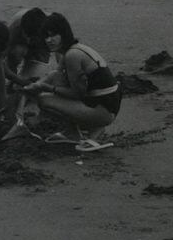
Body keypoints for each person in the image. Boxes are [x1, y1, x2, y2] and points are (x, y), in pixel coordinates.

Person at [21, 13, 121, 152]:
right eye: (46, 37)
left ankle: (89, 129)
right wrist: (33, 86)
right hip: (107, 103)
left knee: (44, 100)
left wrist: (45, 87)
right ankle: (73, 132)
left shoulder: (72, 56)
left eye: (53, 35)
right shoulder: (73, 49)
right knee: (57, 81)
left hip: (104, 110)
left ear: (64, 33)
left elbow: (76, 94)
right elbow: (55, 75)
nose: (49, 40)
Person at [0, 7, 53, 141]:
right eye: (27, 36)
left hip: (41, 46)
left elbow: (63, 57)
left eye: (32, 38)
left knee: (29, 86)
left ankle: (22, 88)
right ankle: (14, 84)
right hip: (17, 44)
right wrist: (17, 79)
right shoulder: (14, 28)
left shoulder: (54, 29)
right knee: (17, 52)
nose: (29, 40)